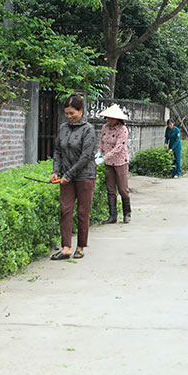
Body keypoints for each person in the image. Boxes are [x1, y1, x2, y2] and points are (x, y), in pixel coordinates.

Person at [50, 94, 97, 260]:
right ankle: (66, 247)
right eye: (67, 114)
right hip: (65, 177)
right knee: (65, 210)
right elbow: (57, 151)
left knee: (83, 212)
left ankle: (80, 246)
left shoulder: (88, 130)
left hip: (85, 177)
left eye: (72, 113)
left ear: (81, 111)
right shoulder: (63, 127)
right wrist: (56, 171)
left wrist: (69, 175)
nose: (69, 117)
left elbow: (85, 156)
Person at [99, 104, 131, 223]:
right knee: (111, 189)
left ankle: (127, 213)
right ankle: (112, 216)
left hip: (120, 162)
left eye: (112, 118)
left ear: (118, 118)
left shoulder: (123, 130)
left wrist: (103, 158)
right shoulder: (105, 128)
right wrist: (99, 152)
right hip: (108, 162)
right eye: (108, 117)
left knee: (123, 189)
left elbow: (118, 148)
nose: (110, 120)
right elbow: (101, 142)